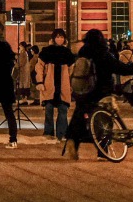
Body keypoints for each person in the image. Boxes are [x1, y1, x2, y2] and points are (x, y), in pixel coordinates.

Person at [67, 30, 117, 158]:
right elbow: (120, 67)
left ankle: (73, 141)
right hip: (102, 92)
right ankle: (103, 151)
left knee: (79, 117)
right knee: (105, 120)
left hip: (84, 91)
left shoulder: (82, 53)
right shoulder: (104, 54)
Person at [36, 29, 78, 142]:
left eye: (62, 37)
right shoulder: (46, 51)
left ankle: (62, 133)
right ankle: (48, 132)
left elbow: (72, 70)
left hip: (63, 86)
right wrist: (39, 81)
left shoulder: (67, 53)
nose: (60, 39)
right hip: (49, 85)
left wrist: (70, 83)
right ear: (54, 38)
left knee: (63, 109)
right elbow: (39, 67)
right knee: (49, 109)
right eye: (58, 37)